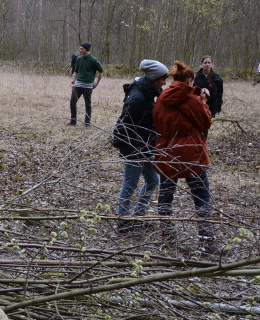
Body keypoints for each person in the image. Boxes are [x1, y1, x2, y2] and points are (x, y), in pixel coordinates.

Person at [153, 60, 221, 256]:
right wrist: (204, 103)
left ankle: (167, 237)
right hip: (191, 153)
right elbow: (206, 123)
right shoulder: (192, 101)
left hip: (166, 152)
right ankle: (207, 242)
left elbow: (156, 122)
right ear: (190, 80)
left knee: (165, 196)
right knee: (202, 197)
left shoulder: (162, 97)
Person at [113, 60, 168, 233]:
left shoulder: (147, 93)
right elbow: (125, 124)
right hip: (134, 148)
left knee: (153, 181)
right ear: (153, 78)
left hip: (145, 147)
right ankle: (123, 221)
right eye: (162, 79)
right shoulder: (137, 97)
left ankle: (138, 215)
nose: (164, 82)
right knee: (130, 184)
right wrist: (130, 148)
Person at [68, 42, 104, 127]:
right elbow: (76, 71)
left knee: (87, 104)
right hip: (78, 85)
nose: (80, 50)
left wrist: (97, 83)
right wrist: (73, 82)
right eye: (80, 48)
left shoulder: (93, 60)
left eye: (82, 49)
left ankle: (87, 123)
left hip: (88, 86)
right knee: (72, 102)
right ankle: (73, 121)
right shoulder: (79, 59)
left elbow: (101, 72)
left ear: (86, 49)